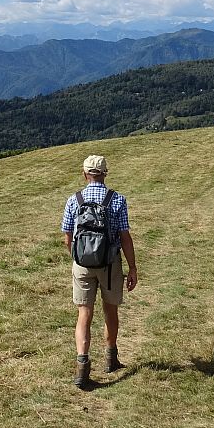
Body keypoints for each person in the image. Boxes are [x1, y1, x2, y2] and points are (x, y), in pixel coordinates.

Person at [61, 154, 138, 389]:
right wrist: (132, 267)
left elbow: (67, 237)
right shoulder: (117, 200)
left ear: (85, 174)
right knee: (110, 310)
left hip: (82, 264)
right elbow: (125, 237)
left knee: (84, 314)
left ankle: (82, 368)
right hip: (110, 263)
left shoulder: (74, 200)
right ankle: (110, 358)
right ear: (105, 173)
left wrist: (78, 257)